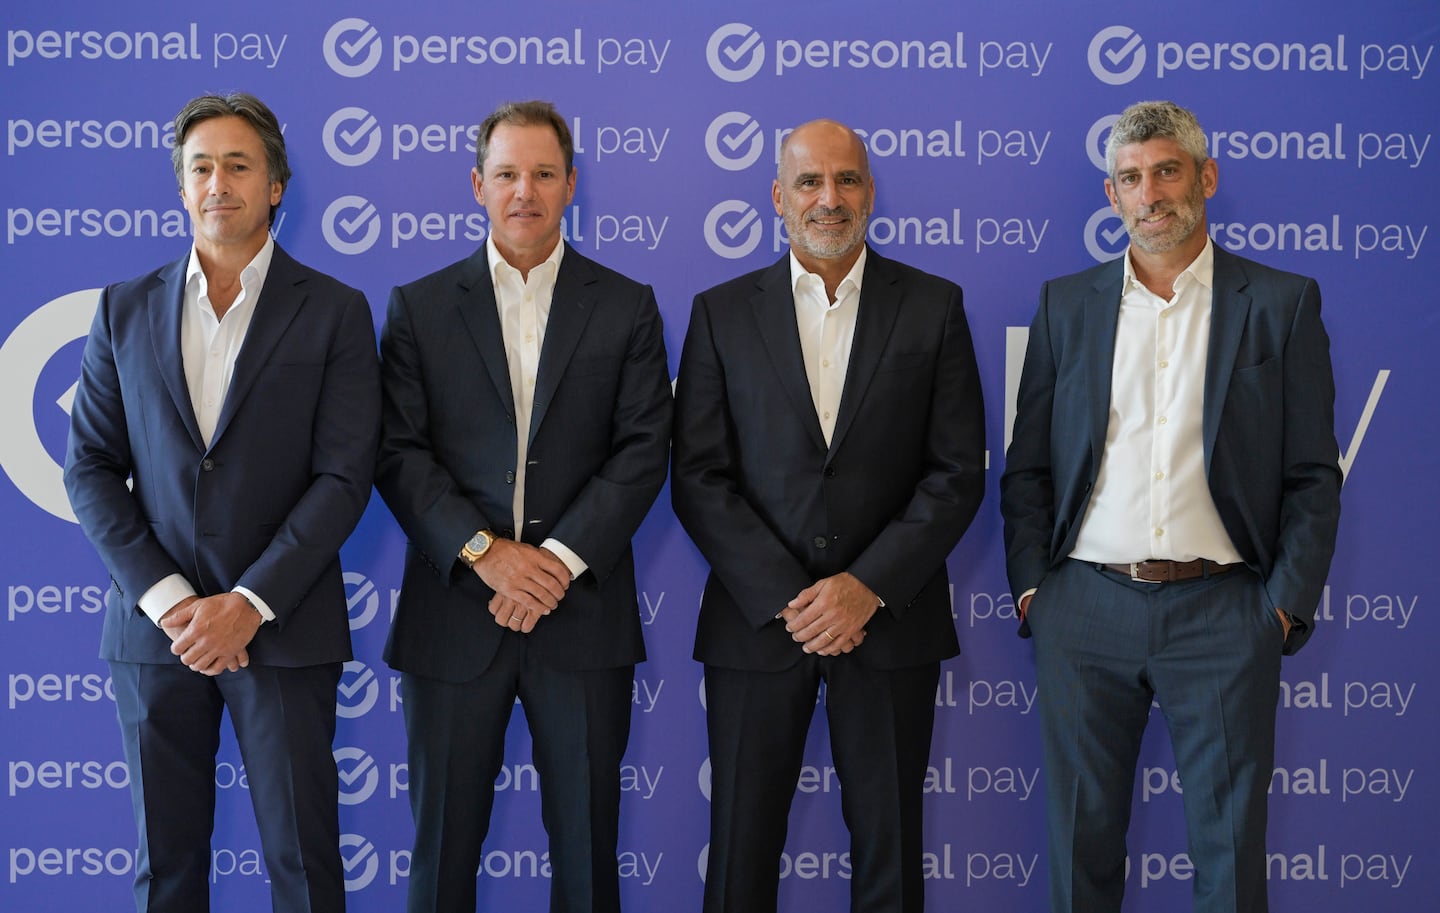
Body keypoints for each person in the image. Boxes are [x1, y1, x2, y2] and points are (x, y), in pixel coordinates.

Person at [1000, 100, 1342, 913]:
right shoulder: (1065, 305)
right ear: (1111, 193)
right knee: (1079, 851)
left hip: (1225, 611)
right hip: (1084, 608)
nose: (1149, 194)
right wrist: (1038, 592)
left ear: (1205, 177)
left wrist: (1279, 608)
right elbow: (1028, 467)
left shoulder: (1281, 303)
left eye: (1166, 172)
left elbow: (1311, 475)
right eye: (1130, 178)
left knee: (1230, 855)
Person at [63, 92, 381, 913]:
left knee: (304, 865)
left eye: (239, 165)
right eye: (201, 167)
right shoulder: (123, 308)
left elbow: (344, 476)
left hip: (283, 625)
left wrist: (248, 602)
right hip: (155, 634)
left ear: (276, 185)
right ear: (181, 187)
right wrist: (173, 602)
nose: (218, 183)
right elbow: (89, 468)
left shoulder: (336, 310)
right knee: (166, 870)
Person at [671, 118, 986, 913]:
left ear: (870, 193)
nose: (829, 198)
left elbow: (956, 472)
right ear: (778, 196)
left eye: (846, 179)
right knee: (739, 859)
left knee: (891, 857)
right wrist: (792, 596)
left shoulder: (934, 306)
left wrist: (865, 587)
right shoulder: (720, 313)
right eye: (809, 181)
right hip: (757, 626)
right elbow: (699, 475)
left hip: (889, 624)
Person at [374, 99, 673, 913]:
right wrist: (485, 553)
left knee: (588, 858)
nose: (525, 192)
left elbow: (643, 449)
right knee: (441, 858)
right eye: (507, 173)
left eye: (543, 174)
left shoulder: (627, 304)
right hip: (452, 618)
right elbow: (398, 451)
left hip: (582, 619)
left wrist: (556, 563)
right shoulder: (419, 307)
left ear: (572, 184)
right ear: (478, 185)